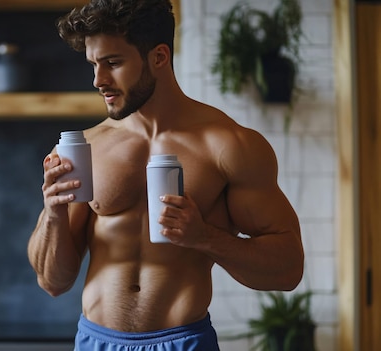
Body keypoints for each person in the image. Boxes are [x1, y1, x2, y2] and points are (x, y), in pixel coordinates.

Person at [27, 0, 304, 350]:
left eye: (113, 63)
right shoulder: (87, 148)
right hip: (97, 341)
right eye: (94, 65)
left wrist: (205, 237)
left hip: (182, 342)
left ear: (159, 57)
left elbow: (288, 270)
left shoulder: (229, 146)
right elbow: (53, 282)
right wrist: (53, 214)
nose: (98, 80)